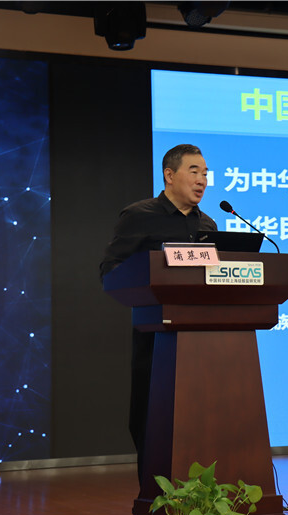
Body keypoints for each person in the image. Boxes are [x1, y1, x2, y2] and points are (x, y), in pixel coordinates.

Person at [99, 144, 217, 478]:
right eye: (194, 171)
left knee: (200, 422)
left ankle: (201, 498)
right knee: (153, 423)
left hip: (202, 343)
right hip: (156, 342)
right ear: (169, 175)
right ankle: (156, 499)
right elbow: (110, 271)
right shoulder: (140, 215)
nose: (202, 180)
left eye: (205, 173)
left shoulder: (208, 225)